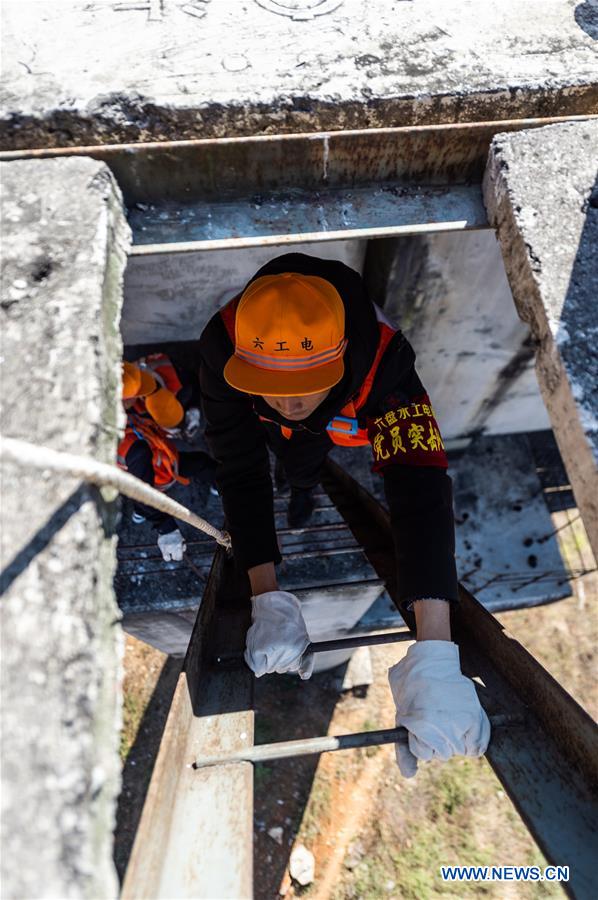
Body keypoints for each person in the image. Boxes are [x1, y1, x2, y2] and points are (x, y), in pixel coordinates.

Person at [198, 253, 490, 777]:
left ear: (342, 357)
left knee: (310, 457)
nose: (290, 402)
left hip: (341, 422)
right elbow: (239, 466)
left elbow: (418, 485)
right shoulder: (224, 349)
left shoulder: (386, 365)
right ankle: (300, 486)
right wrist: (265, 592)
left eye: (305, 385)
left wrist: (437, 650)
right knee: (289, 456)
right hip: (284, 435)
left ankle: (305, 488)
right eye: (276, 387)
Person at [117, 353, 216, 562]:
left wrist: (188, 413)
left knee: (201, 464)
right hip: (144, 469)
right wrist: (165, 526)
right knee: (142, 498)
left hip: (162, 457)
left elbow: (169, 413)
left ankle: (222, 483)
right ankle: (142, 510)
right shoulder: (133, 449)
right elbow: (141, 489)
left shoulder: (142, 389)